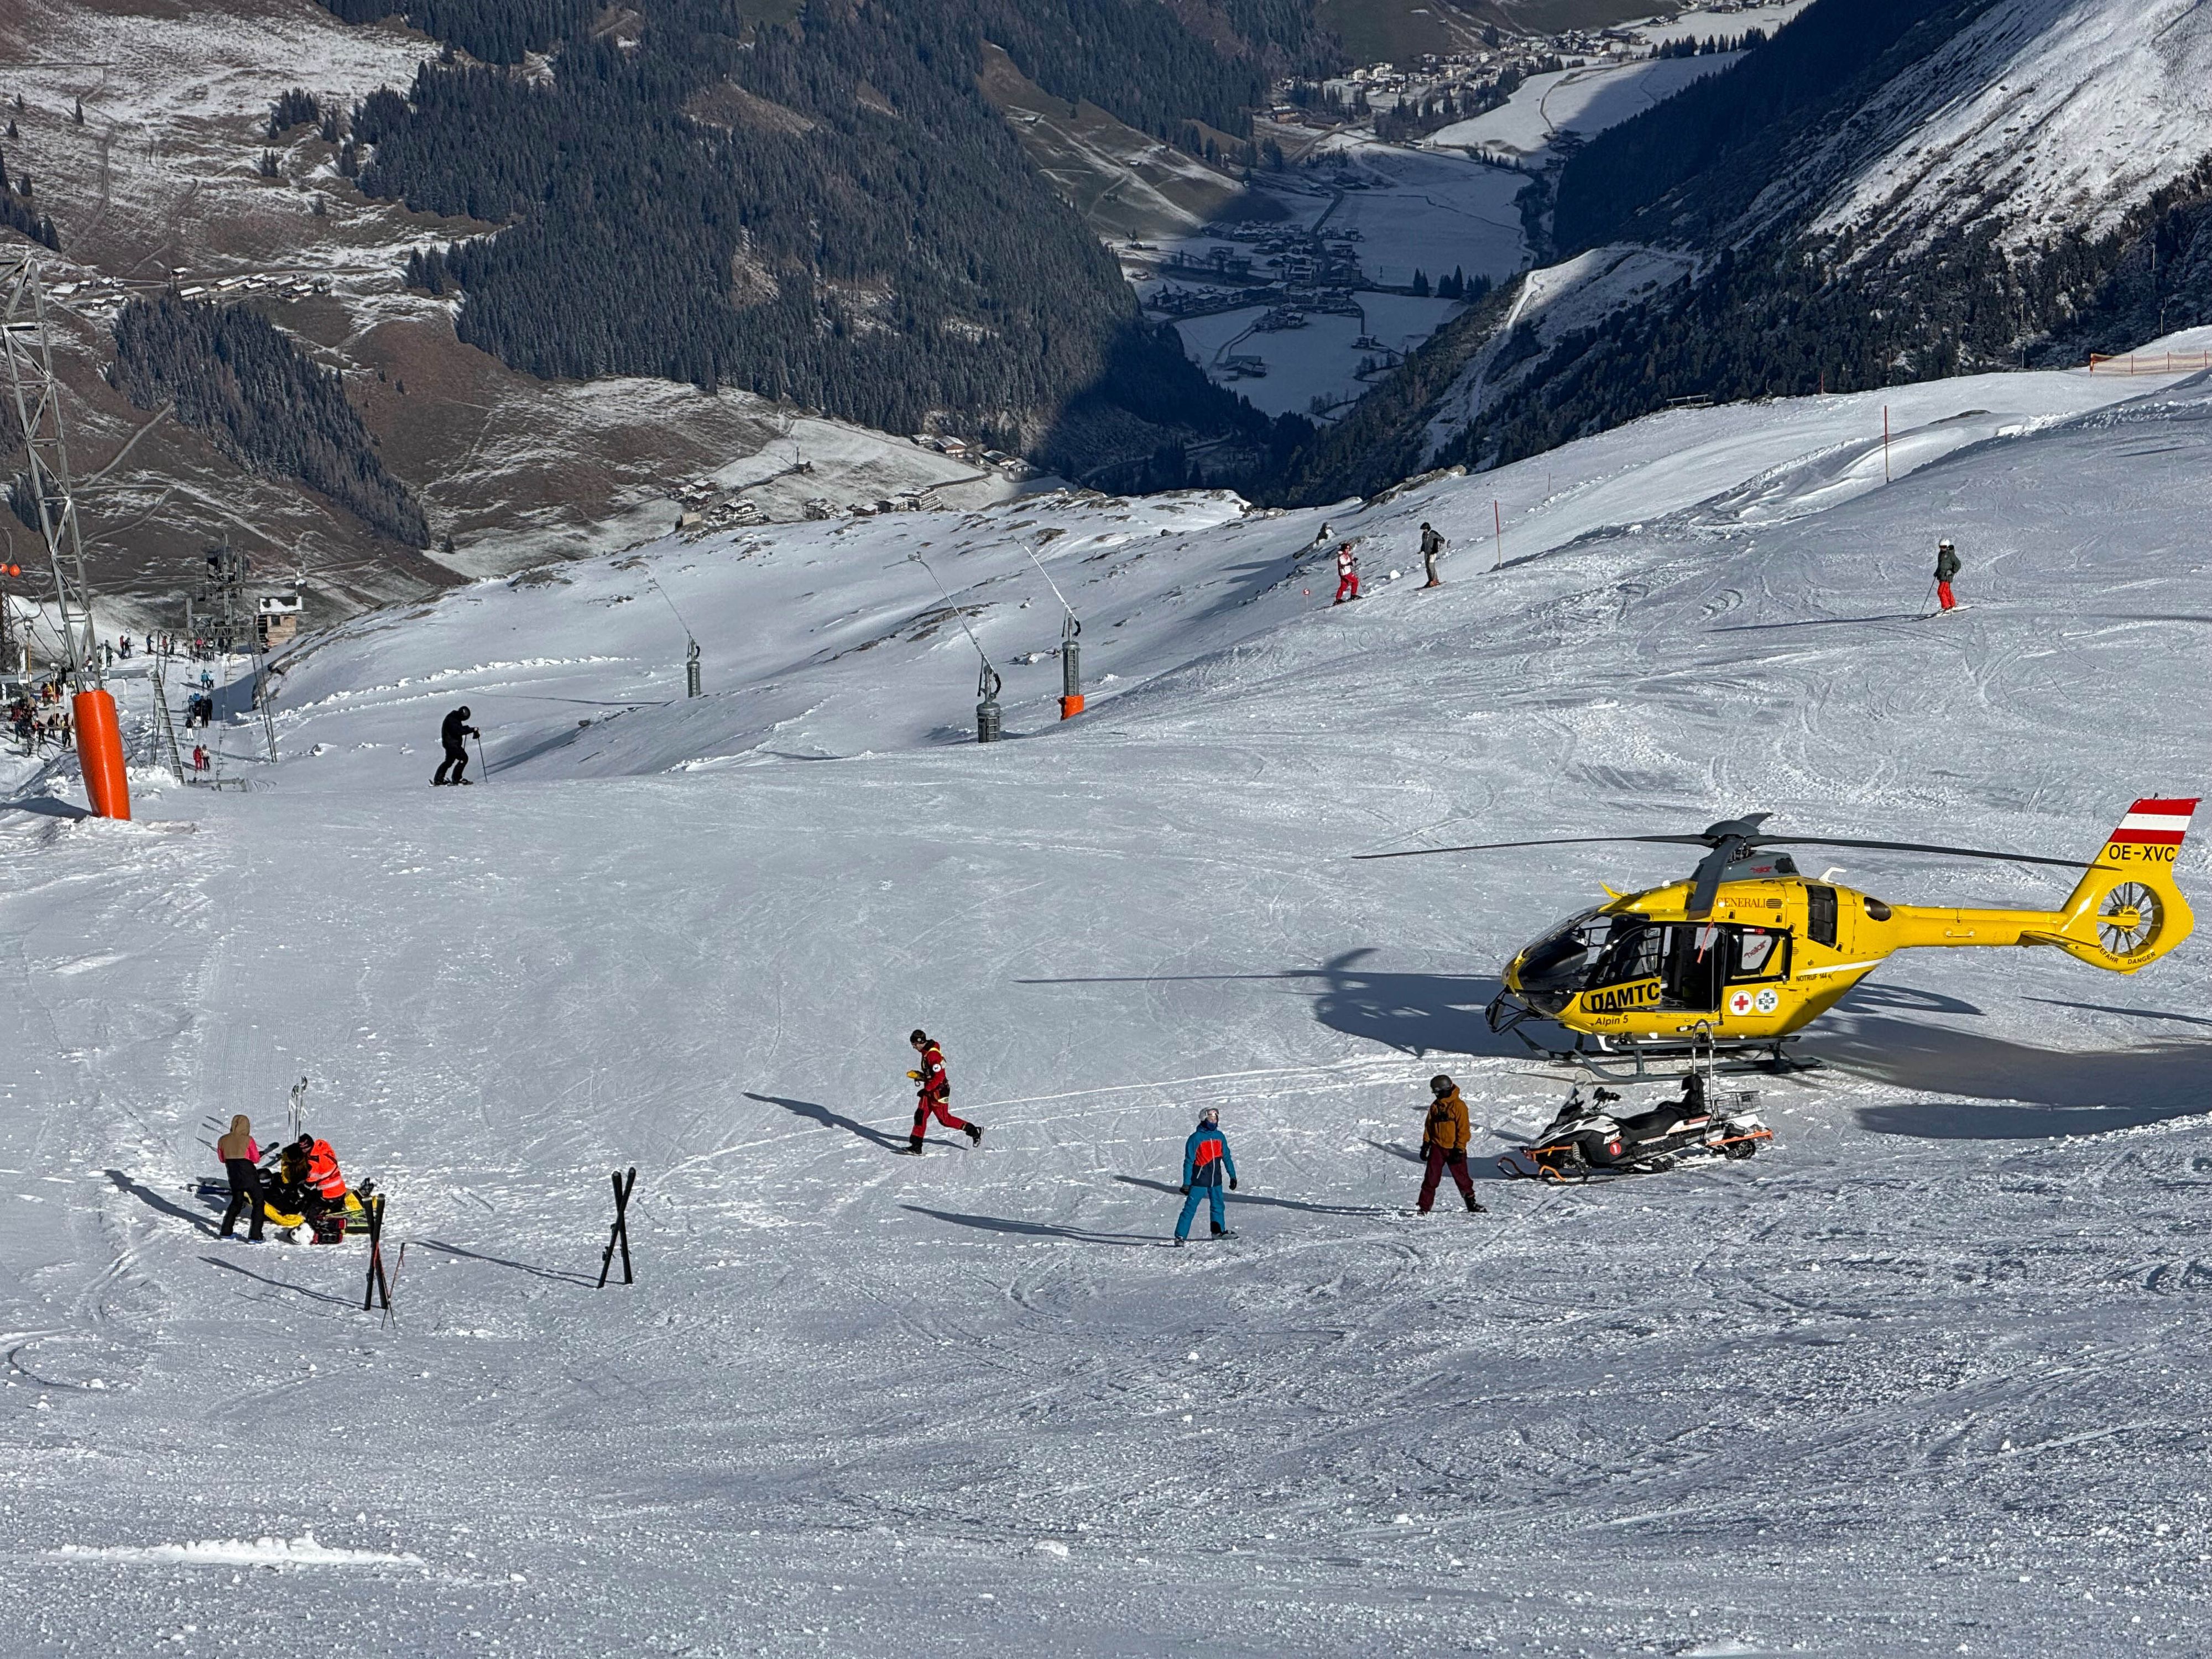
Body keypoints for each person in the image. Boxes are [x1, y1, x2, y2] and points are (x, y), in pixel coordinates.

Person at [902, 1029, 982, 1154]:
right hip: (930, 1090)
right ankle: (916, 1147)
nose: (914, 1048)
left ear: (919, 1043)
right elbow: (933, 1074)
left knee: (944, 1120)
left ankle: (973, 1130)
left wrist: (926, 1089)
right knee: (920, 1116)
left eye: (914, 1045)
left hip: (938, 1091)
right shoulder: (926, 1052)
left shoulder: (932, 1055)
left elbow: (939, 1077)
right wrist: (920, 1076)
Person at [1417, 1074, 1486, 1215]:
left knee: (1462, 1178)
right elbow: (1429, 1126)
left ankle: (1471, 1203)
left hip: (1454, 1148)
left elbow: (1464, 1129)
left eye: (1437, 1092)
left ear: (1444, 1090)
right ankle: (1424, 1208)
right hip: (1437, 1147)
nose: (1435, 1095)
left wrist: (1460, 1148)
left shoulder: (1459, 1106)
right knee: (1431, 1178)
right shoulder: (1435, 1106)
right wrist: (1426, 1145)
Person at [1174, 1107, 1237, 1244]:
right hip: (1199, 1181)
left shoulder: (1220, 1137)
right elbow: (1189, 1161)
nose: (1213, 1121)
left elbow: (1227, 1157)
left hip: (1216, 1180)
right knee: (1190, 1208)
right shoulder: (1196, 1138)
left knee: (1218, 1206)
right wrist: (1186, 1183)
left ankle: (1218, 1231)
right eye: (1210, 1119)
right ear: (1204, 1119)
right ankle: (1180, 1236)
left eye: (1215, 1118)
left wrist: (1232, 1176)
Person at [216, 1114, 265, 1241]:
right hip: (249, 1175)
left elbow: (222, 1159)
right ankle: (256, 1235)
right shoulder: (248, 1140)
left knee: (236, 1202)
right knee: (258, 1203)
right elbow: (255, 1159)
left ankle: (226, 1232)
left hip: (234, 1176)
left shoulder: (223, 1140)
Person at [434, 704, 479, 786]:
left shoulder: (454, 717)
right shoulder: (452, 720)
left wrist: (469, 729)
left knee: (449, 761)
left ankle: (439, 779)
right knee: (464, 758)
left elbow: (458, 729)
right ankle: (457, 779)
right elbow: (458, 731)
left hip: (450, 744)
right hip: (452, 744)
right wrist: (471, 730)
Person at [1934, 539, 1961, 613]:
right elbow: (1940, 565)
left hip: (1947, 576)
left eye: (1944, 547)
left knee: (1941, 591)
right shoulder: (1941, 554)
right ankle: (1952, 604)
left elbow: (1958, 564)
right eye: (1941, 547)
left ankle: (1946, 606)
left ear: (1948, 547)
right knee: (1946, 591)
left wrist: (1952, 571)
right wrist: (1937, 572)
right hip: (1941, 576)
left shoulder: (1951, 555)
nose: (1942, 548)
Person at [1333, 541, 1360, 605]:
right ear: (1344, 549)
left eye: (1349, 548)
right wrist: (1348, 564)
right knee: (1355, 581)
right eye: (1347, 548)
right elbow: (1342, 564)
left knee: (1344, 586)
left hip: (1344, 573)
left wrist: (1353, 559)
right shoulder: (1342, 556)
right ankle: (1353, 595)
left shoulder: (1345, 554)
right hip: (1346, 573)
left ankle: (1338, 599)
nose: (1348, 549)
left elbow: (1348, 559)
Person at [1420, 521, 1444, 588]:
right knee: (1428, 567)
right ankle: (1430, 580)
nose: (1424, 531)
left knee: (1431, 565)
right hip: (1426, 552)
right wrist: (1422, 550)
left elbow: (1441, 538)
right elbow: (1424, 543)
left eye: (1424, 529)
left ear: (1427, 528)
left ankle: (1435, 580)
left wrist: (1442, 541)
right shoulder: (1424, 535)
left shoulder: (1433, 533)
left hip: (1433, 552)